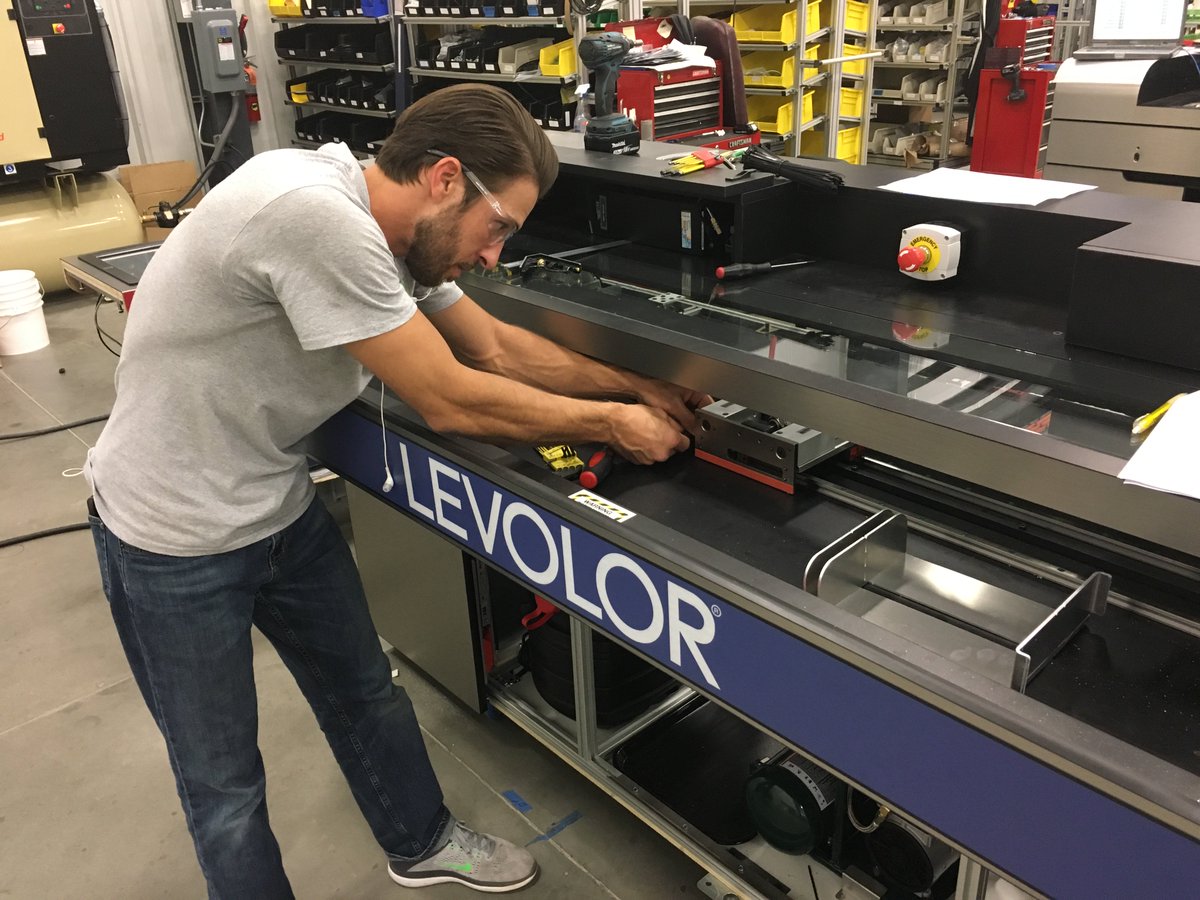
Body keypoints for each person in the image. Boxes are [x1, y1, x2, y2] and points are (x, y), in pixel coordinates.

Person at [83, 83, 710, 898]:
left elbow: (495, 349)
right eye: (499, 229)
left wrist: (636, 388)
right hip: (170, 537)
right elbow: (449, 397)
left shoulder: (389, 228)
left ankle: (420, 842)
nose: (493, 257)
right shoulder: (314, 215)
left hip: (272, 501)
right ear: (446, 178)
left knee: (366, 696)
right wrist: (614, 428)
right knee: (223, 782)